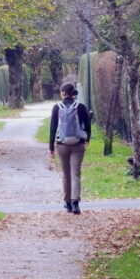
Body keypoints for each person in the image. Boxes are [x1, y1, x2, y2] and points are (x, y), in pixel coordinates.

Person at [49, 81, 92, 214]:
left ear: (63, 93)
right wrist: (87, 139)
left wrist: (51, 146)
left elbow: (53, 127)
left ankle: (67, 202)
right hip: (78, 144)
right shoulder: (81, 106)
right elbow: (87, 125)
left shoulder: (57, 107)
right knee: (76, 173)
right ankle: (75, 203)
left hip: (62, 145)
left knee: (66, 174)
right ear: (73, 93)